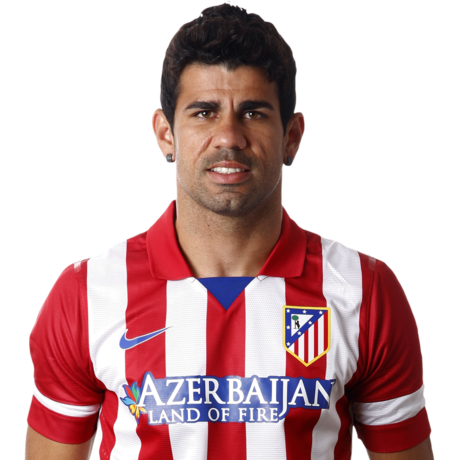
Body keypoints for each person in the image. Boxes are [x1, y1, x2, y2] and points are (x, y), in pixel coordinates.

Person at [24, 1, 434, 459]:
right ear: (165, 133)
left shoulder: (365, 290)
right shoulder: (86, 295)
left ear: (292, 136)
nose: (229, 137)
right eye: (204, 112)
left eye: (254, 113)